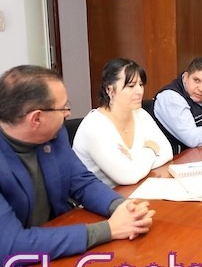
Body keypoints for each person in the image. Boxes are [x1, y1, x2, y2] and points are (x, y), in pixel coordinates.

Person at [0, 65, 155, 267]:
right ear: (36, 118)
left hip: (54, 246)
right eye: (63, 107)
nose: (68, 113)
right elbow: (8, 246)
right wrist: (109, 230)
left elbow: (81, 182)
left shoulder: (53, 134)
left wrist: (121, 207)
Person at [73, 58, 173, 188]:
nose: (139, 91)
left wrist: (132, 157)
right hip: (102, 197)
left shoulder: (139, 114)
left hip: (134, 190)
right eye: (131, 86)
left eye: (141, 84)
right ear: (110, 90)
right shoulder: (94, 126)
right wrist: (151, 149)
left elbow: (167, 152)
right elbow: (129, 176)